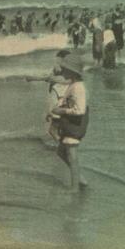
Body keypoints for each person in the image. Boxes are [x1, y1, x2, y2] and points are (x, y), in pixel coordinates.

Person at [50, 54, 89, 190]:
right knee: (61, 151)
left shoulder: (78, 87)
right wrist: (58, 108)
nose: (62, 71)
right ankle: (80, 179)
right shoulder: (74, 84)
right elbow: (68, 100)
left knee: (72, 156)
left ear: (72, 71)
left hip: (75, 123)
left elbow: (80, 110)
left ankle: (75, 190)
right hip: (70, 122)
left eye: (65, 69)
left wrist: (62, 111)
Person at [25, 50, 72, 141]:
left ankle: (64, 146)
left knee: (52, 130)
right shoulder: (69, 73)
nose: (56, 63)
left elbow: (49, 78)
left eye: (58, 60)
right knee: (58, 128)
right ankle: (64, 147)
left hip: (58, 99)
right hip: (63, 101)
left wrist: (33, 78)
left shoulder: (60, 71)